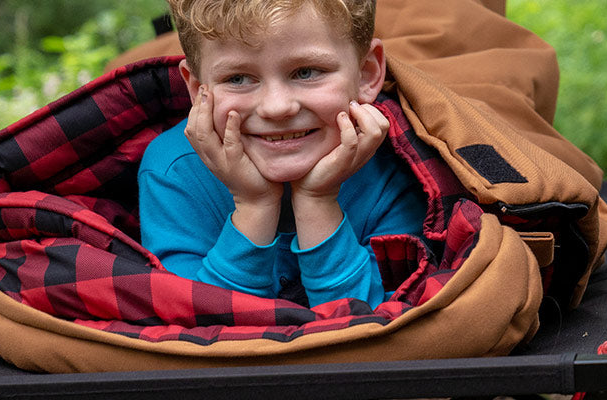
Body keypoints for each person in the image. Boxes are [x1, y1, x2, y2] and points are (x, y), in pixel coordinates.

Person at [139, 0, 423, 309]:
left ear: (367, 73)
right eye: (237, 78)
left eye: (306, 72)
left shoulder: (399, 163)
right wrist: (253, 204)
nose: (276, 107)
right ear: (197, 90)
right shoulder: (173, 171)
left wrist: (318, 200)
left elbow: (374, 326)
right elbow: (197, 325)